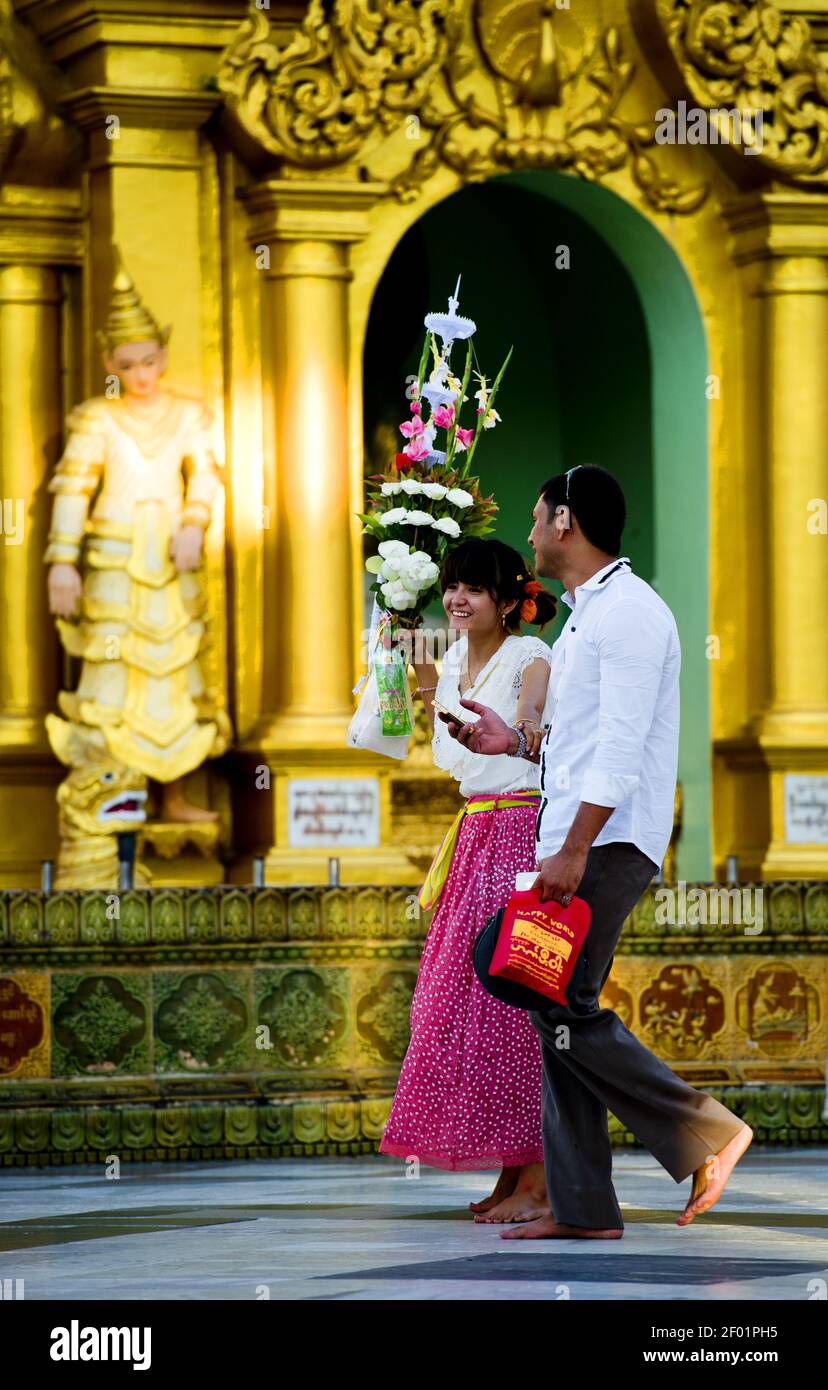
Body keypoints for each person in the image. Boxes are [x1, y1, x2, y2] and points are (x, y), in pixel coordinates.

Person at [445, 465, 753, 1238]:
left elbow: (619, 751)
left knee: (530, 983)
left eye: (537, 517)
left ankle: (706, 1131)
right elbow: (578, 747)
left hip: (609, 839)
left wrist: (576, 847)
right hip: (576, 832)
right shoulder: (588, 616)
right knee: (552, 1002)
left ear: (566, 522)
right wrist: (510, 741)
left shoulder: (632, 617)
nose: (529, 534)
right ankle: (585, 1209)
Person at [378, 537, 559, 1223]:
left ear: (510, 602)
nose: (457, 598)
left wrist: (529, 724)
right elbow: (415, 682)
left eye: (475, 589)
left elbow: (534, 717)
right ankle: (516, 1175)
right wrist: (396, 621)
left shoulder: (530, 657)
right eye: (452, 585)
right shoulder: (452, 659)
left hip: (519, 831)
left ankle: (541, 1179)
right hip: (474, 833)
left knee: (515, 1007)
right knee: (462, 1004)